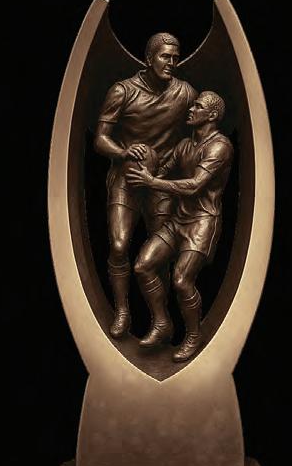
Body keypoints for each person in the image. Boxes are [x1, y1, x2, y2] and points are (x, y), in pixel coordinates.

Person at [94, 33, 197, 339]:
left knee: (157, 257)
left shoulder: (185, 93)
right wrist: (123, 152)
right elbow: (100, 139)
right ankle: (122, 310)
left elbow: (199, 132)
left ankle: (159, 321)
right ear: (149, 58)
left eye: (176, 57)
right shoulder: (123, 91)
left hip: (160, 183)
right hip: (127, 177)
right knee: (118, 245)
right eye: (165, 57)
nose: (172, 63)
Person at [126, 91, 233, 362]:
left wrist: (152, 182)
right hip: (178, 220)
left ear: (212, 115)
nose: (191, 109)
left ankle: (194, 335)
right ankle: (162, 323)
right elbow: (161, 172)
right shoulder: (185, 145)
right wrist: (138, 159)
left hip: (202, 222)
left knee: (182, 280)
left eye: (198, 106)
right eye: (192, 105)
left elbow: (195, 185)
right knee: (143, 266)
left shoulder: (220, 147)